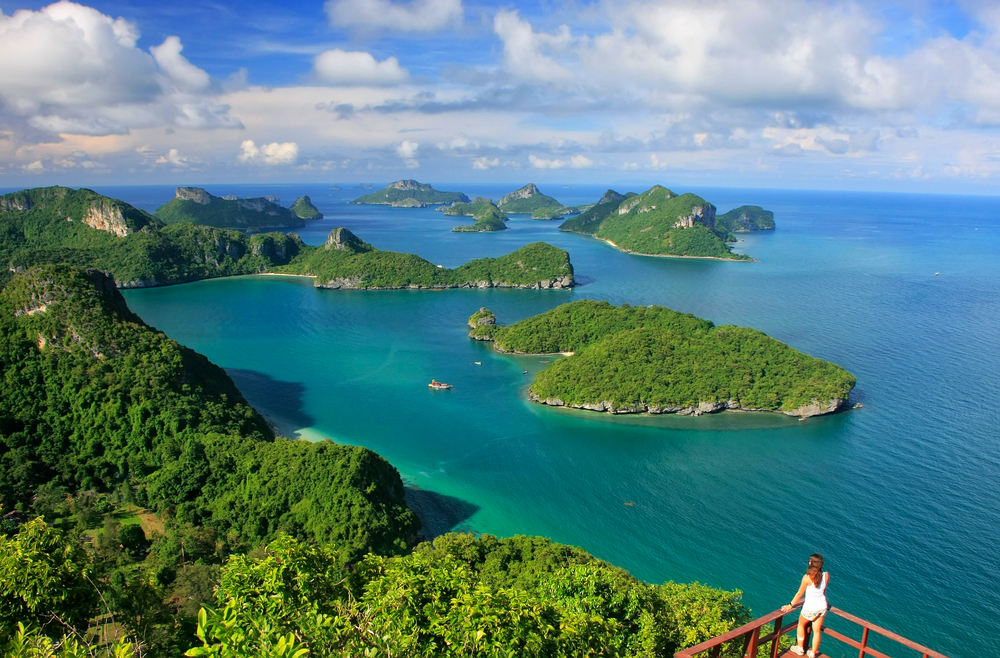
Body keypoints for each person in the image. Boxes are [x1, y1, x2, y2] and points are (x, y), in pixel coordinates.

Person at [781, 554, 829, 658]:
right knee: (816, 631)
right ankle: (813, 653)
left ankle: (800, 649)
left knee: (801, 625)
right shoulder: (826, 575)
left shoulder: (807, 578)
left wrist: (790, 605)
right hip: (822, 607)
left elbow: (799, 593)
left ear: (811, 563)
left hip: (810, 608)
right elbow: (823, 591)